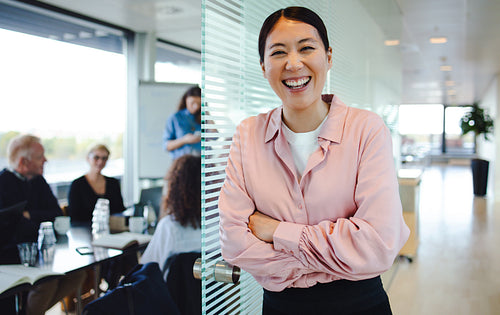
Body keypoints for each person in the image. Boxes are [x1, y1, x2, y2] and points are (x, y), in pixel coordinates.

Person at [218, 7, 410, 314]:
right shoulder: (248, 135)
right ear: (263, 66)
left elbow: (378, 244)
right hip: (281, 307)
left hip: (359, 305)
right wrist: (336, 260)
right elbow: (233, 242)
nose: (293, 63)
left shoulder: (366, 129)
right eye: (278, 52)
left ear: (328, 57)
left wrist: (277, 232)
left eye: (306, 48)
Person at [0, 134, 86, 315]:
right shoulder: (3, 183)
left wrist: (29, 215)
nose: (45, 160)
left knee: (78, 273)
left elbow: (56, 214)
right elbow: (15, 228)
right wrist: (36, 221)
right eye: (40, 157)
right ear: (23, 161)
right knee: (47, 283)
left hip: (43, 253)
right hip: (12, 258)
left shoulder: (39, 180)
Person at [141, 154, 201, 279]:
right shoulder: (218, 228)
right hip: (211, 297)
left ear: (175, 187)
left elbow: (146, 268)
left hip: (171, 296)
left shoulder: (169, 226)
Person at [67, 144, 125, 224]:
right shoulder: (77, 185)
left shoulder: (113, 183)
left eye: (104, 158)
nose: (100, 161)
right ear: (88, 158)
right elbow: (74, 216)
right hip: (84, 231)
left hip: (112, 230)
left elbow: (120, 210)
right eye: (96, 157)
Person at [163, 85, 202, 159]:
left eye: (199, 104)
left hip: (201, 163)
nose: (196, 106)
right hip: (183, 163)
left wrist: (206, 114)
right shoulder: (176, 118)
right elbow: (166, 146)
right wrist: (184, 140)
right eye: (192, 103)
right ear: (186, 101)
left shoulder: (203, 118)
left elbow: (215, 137)